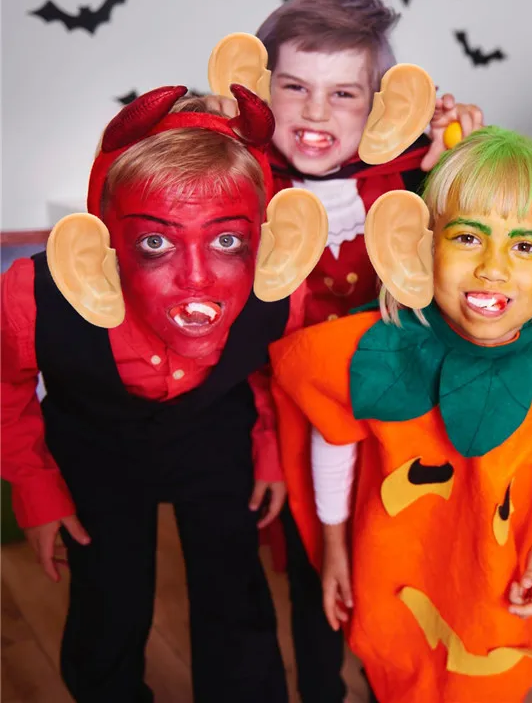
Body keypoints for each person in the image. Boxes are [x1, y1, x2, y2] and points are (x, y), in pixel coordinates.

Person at [269, 126, 532, 702]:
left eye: (524, 246)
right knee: (395, 663)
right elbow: (335, 439)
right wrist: (335, 546)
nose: (493, 269)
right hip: (396, 562)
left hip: (494, 573)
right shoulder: (382, 350)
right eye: (469, 238)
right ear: (421, 247)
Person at [0, 85, 329, 703]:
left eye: (228, 240)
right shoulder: (33, 295)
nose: (197, 280)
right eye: (155, 241)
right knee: (108, 595)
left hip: (215, 433)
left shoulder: (283, 291)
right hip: (94, 443)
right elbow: (4, 391)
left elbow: (270, 373)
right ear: (104, 240)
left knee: (235, 586)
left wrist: (268, 451)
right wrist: (36, 488)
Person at [211, 0, 484, 702]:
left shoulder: (409, 179)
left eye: (344, 94)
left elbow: (483, 234)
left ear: (381, 107)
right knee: (312, 574)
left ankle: (396, 680)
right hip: (288, 421)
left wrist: (463, 144)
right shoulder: (240, 188)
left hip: (390, 423)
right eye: (294, 88)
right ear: (260, 94)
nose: (315, 112)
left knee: (398, 564)